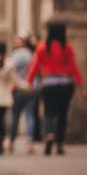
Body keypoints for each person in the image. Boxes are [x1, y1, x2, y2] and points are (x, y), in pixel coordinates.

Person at [27, 23, 86, 156]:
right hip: (65, 84)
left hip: (48, 83)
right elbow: (73, 67)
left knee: (48, 111)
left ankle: (49, 135)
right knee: (62, 114)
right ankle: (59, 144)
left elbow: (35, 65)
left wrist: (29, 82)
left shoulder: (42, 46)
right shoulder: (67, 47)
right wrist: (81, 85)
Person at [8, 34, 38, 154]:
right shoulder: (31, 55)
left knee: (15, 116)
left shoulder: (14, 56)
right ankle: (30, 142)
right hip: (31, 87)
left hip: (18, 88)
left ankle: (11, 142)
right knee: (30, 115)